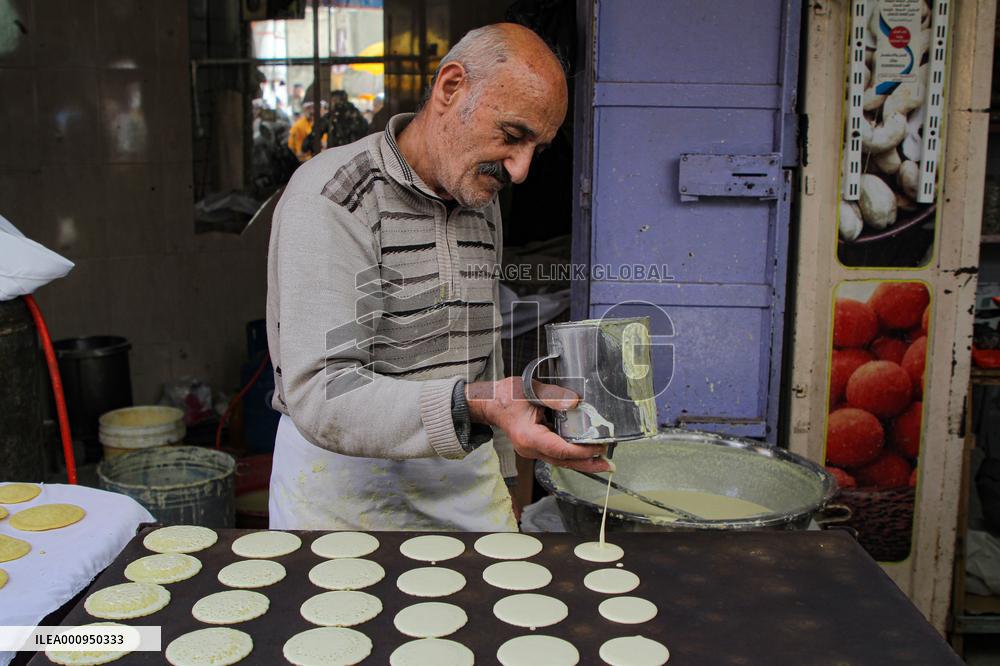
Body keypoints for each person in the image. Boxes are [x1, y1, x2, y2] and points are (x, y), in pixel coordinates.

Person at [266, 23, 610, 532]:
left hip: (461, 473)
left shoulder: (479, 197)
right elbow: (321, 393)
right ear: (451, 87)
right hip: (343, 489)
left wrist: (506, 474)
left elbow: (485, 347)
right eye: (512, 136)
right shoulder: (335, 197)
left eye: (536, 148)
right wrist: (480, 404)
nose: (520, 170)